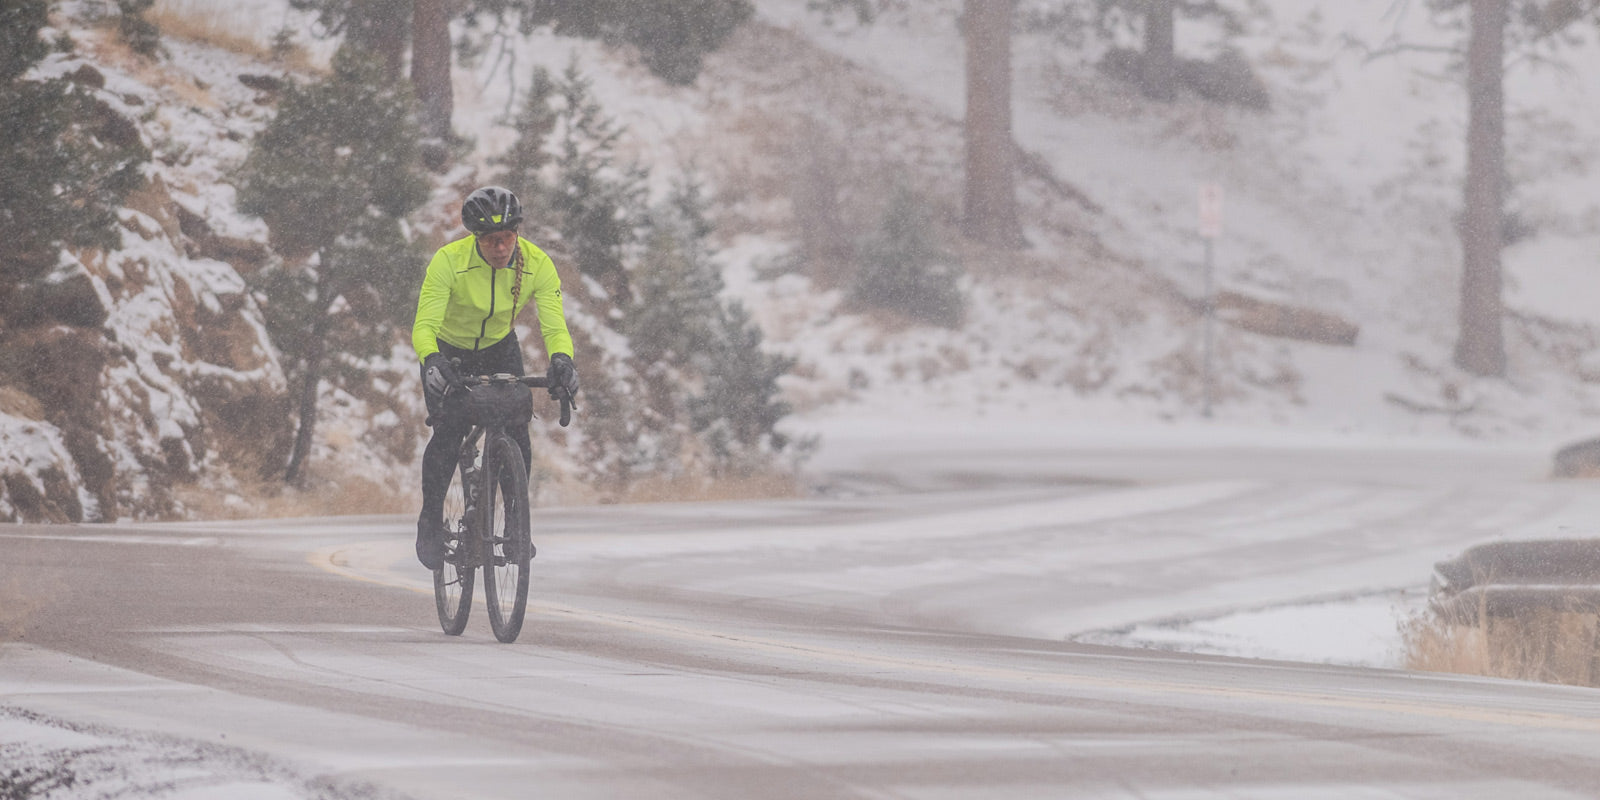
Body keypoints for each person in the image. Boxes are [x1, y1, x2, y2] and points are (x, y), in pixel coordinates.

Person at [411, 186, 579, 570]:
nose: (501, 248)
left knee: (517, 425)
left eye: (507, 238)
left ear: (516, 234)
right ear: (476, 239)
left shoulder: (538, 264)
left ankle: (518, 521)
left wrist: (562, 360)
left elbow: (555, 325)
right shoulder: (448, 262)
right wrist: (433, 360)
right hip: (447, 349)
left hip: (499, 347)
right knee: (449, 432)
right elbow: (424, 326)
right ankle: (430, 520)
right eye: (491, 241)